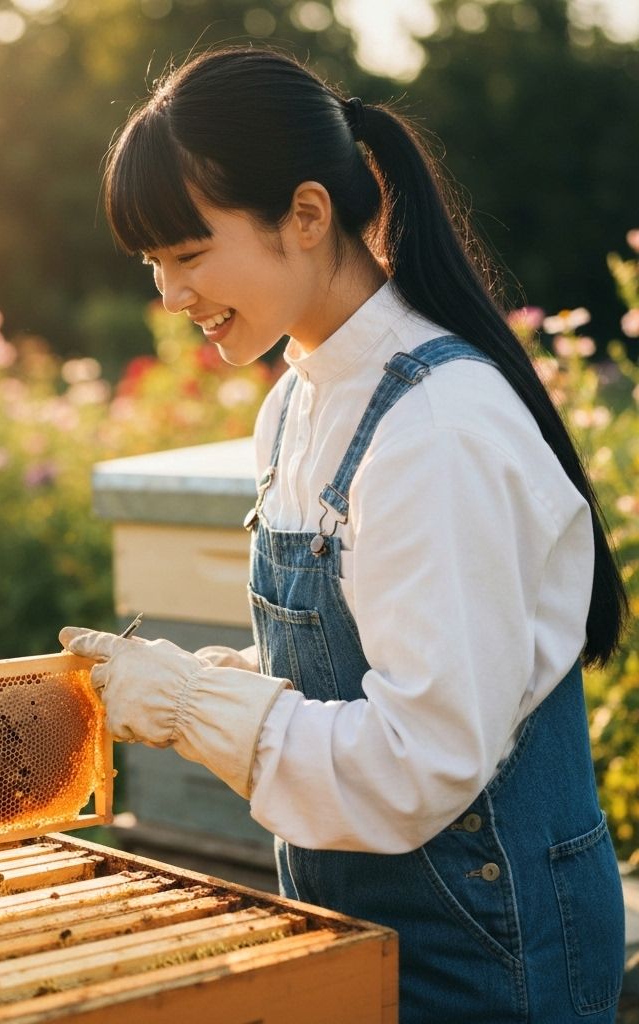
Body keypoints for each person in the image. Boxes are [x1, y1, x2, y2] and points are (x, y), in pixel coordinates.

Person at [58, 46, 628, 1023]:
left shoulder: (436, 430)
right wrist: (205, 678)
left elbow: (419, 757)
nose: (169, 295)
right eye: (153, 264)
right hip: (352, 923)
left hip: (489, 953)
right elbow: (359, 660)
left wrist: (195, 706)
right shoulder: (292, 407)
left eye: (189, 253)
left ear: (308, 215)